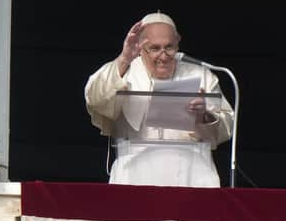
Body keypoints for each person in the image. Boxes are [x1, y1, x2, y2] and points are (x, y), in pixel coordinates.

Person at [84, 12, 234, 187]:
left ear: (178, 43)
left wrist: (204, 116)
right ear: (140, 47)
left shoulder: (201, 75)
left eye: (169, 47)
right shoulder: (124, 71)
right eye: (155, 48)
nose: (163, 56)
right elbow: (95, 100)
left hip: (192, 176)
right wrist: (124, 59)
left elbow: (227, 125)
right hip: (134, 175)